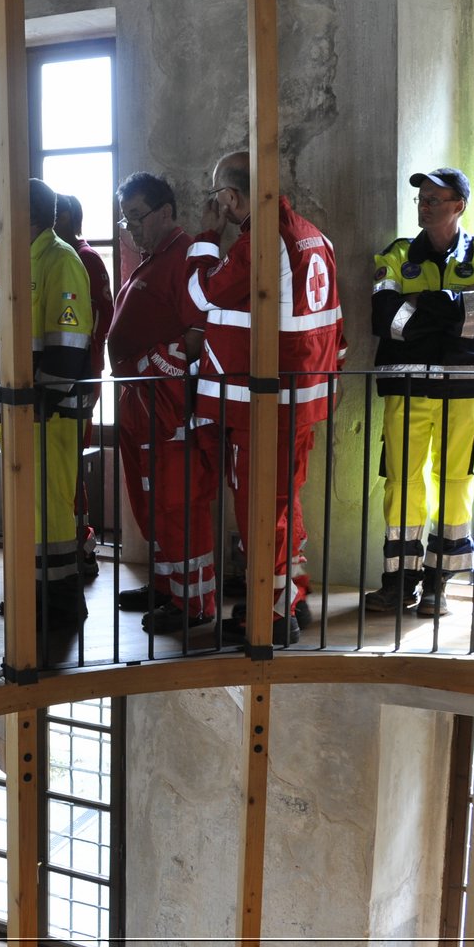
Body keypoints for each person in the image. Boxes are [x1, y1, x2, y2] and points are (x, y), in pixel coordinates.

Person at [185, 151, 346, 645]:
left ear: (232, 196)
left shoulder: (260, 243)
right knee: (282, 503)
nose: (219, 206)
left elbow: (198, 294)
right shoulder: (315, 236)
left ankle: (271, 617)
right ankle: (291, 595)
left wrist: (207, 238)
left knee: (260, 511)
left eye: (220, 198)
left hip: (261, 403)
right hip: (303, 397)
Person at [363, 168, 474, 616]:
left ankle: (441, 581)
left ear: (459, 205)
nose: (424, 205)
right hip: (407, 383)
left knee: (456, 481)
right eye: (421, 198)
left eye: (435, 199)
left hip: (464, 388)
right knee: (401, 481)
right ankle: (399, 582)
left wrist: (422, 307)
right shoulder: (398, 253)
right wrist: (455, 310)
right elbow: (385, 317)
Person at [106, 173, 219, 635]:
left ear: (166, 212)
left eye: (137, 216)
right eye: (126, 219)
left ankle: (194, 603)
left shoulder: (188, 257)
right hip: (142, 401)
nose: (131, 228)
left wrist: (155, 365)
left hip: (170, 405)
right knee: (151, 502)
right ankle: (167, 585)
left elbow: (203, 328)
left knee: (178, 504)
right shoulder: (154, 258)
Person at [0, 178, 94, 643]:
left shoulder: (60, 260)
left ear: (25, 215)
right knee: (29, 511)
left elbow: (69, 345)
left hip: (48, 415)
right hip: (21, 412)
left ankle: (60, 603)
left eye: (2, 210)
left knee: (51, 512)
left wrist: (41, 402)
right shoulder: (23, 258)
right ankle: (32, 591)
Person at [53, 193, 115, 581]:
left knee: (69, 470)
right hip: (70, 378)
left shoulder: (84, 259)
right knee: (60, 470)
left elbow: (96, 325)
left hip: (76, 379)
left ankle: (82, 546)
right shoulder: (63, 256)